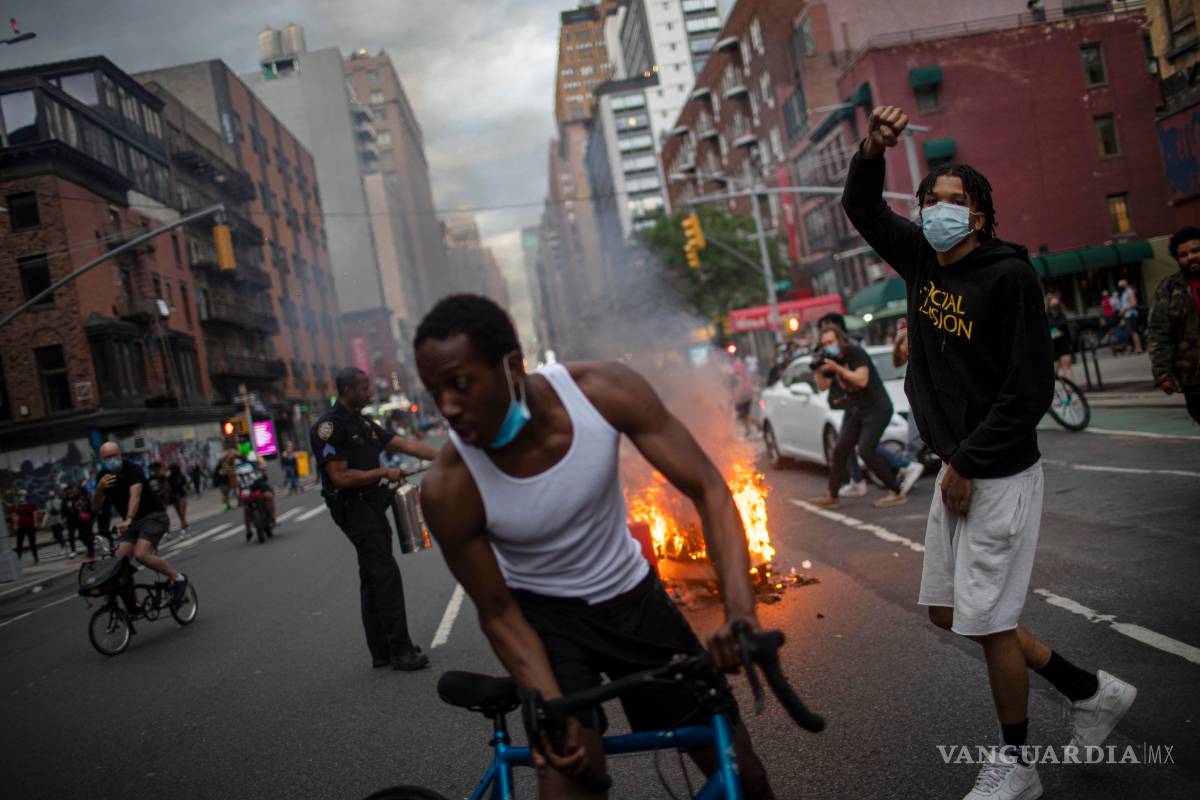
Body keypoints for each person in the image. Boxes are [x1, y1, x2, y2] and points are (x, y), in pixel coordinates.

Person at [844, 104, 1137, 800]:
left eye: (956, 202)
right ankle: (1088, 690)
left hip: (995, 470)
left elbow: (1029, 386)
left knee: (992, 620)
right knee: (951, 613)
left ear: (979, 215)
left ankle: (1018, 765)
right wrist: (872, 149)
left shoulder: (1008, 278)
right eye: (930, 202)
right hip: (957, 466)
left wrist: (969, 462)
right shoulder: (918, 258)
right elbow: (860, 206)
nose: (940, 211)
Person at [414, 294, 774, 799]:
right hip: (547, 626)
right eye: (435, 392)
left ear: (512, 366)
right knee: (574, 777)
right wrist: (546, 703)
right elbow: (497, 612)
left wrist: (740, 613)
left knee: (744, 775)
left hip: (634, 601)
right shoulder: (450, 488)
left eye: (461, 384)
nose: (448, 407)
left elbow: (710, 491)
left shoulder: (602, 392)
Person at [311, 367, 439, 671]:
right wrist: (383, 472)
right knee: (385, 574)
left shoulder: (363, 423)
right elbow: (339, 477)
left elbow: (404, 445)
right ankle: (401, 650)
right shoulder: (330, 427)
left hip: (371, 505)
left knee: (371, 576)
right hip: (353, 508)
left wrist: (445, 456)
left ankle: (381, 650)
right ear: (347, 391)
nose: (370, 393)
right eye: (364, 388)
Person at [806, 325, 908, 509]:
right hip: (859, 410)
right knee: (840, 449)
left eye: (831, 342)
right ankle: (832, 495)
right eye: (824, 344)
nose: (828, 346)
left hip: (878, 408)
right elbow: (822, 386)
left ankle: (896, 491)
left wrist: (838, 368)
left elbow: (862, 380)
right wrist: (818, 369)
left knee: (866, 450)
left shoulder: (855, 353)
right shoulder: (831, 359)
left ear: (840, 339)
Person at [91, 442, 188, 603]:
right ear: (102, 459)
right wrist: (99, 489)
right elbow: (95, 506)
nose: (112, 459)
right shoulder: (103, 477)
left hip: (153, 517)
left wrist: (128, 518)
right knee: (118, 565)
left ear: (120, 454)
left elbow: (134, 496)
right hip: (131, 525)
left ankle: (178, 579)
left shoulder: (133, 470)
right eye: (107, 457)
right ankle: (133, 602)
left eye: (114, 455)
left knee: (141, 554)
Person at [1149, 225, 1200, 424]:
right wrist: (1163, 374)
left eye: (1195, 251)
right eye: (1183, 254)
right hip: (1194, 376)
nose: (1191, 257)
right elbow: (1159, 333)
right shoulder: (1168, 290)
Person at [232, 451, 275, 540]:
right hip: (250, 489)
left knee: (248, 508)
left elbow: (237, 482)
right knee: (248, 508)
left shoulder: (250, 461)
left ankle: (270, 518)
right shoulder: (243, 465)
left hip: (252, 488)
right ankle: (250, 529)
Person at [1046, 291, 1074, 381]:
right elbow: (1047, 330)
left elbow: (1067, 328)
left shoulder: (1062, 315)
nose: (1055, 306)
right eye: (1053, 304)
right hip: (1053, 347)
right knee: (1053, 372)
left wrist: (1071, 343)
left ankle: (1069, 390)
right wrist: (1054, 331)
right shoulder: (1046, 317)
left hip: (1064, 344)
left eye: (1056, 304)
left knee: (1067, 368)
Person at [10, 490, 42, 564]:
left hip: (30, 526)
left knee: (33, 544)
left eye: (22, 495)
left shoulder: (30, 505)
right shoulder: (16, 506)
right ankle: (18, 560)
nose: (21, 497)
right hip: (21, 527)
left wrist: (35, 523)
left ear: (26, 496)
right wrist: (15, 525)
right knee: (19, 544)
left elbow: (34, 514)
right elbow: (14, 516)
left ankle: (36, 559)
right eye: (19, 496)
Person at [1116, 278, 1143, 354]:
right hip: (1127, 315)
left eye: (1121, 285)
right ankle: (1135, 347)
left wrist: (1124, 310)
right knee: (1130, 332)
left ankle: (1138, 348)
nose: (1119, 287)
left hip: (1131, 314)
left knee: (1134, 331)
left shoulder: (1129, 291)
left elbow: (1134, 303)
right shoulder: (1124, 293)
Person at [732, 357, 755, 437]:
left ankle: (756, 427)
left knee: (745, 414)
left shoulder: (739, 374)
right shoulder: (742, 372)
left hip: (743, 396)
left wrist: (737, 397)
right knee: (744, 415)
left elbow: (740, 386)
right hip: (744, 396)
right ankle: (748, 430)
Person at [166, 463, 190, 537]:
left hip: (182, 496)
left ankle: (183, 531)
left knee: (182, 514)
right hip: (175, 498)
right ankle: (186, 526)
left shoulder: (181, 476)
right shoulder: (170, 477)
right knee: (180, 514)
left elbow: (187, 485)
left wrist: (186, 488)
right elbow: (167, 486)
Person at [45, 487, 67, 555]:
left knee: (59, 534)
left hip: (59, 520)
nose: (51, 496)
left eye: (52, 494)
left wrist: (64, 519)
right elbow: (47, 512)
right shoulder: (48, 503)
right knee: (56, 535)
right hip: (52, 521)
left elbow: (62, 510)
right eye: (50, 494)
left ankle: (63, 547)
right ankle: (64, 544)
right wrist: (44, 522)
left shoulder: (59, 501)